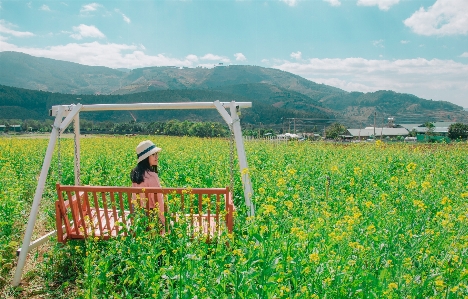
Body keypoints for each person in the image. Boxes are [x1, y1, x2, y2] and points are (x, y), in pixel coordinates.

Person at [130, 140, 165, 231]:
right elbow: (159, 201)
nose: (157, 157)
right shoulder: (152, 176)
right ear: (146, 158)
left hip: (139, 218)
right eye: (153, 155)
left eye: (156, 154)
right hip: (152, 219)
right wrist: (164, 221)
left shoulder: (135, 174)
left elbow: (134, 199)